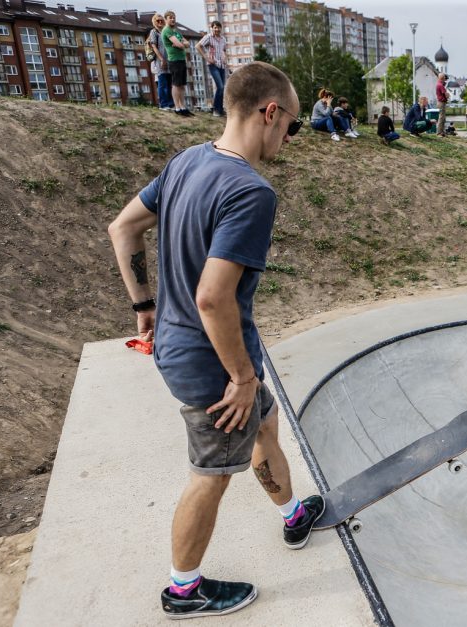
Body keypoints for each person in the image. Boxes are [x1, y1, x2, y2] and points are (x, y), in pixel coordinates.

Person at [107, 61, 324, 620]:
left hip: (187, 345)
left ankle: (292, 514)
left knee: (265, 425)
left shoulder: (186, 161)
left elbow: (123, 227)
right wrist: (243, 379)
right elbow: (212, 297)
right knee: (210, 475)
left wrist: (144, 306)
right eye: (292, 126)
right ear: (269, 113)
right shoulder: (250, 191)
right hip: (214, 364)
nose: (288, 139)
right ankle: (184, 590)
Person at [161, 11, 193, 116]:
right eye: (170, 18)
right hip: (174, 60)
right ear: (166, 19)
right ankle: (177, 107)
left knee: (182, 85)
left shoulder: (176, 31)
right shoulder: (167, 31)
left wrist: (181, 44)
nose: (173, 19)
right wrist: (180, 44)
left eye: (174, 17)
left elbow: (187, 43)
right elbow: (180, 44)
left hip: (181, 59)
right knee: (176, 84)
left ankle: (183, 107)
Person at [195, 20, 227, 117]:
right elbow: (198, 46)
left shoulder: (223, 39)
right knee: (220, 87)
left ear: (221, 28)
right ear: (212, 28)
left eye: (218, 27)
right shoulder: (208, 37)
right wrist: (207, 57)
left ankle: (220, 109)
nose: (217, 29)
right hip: (213, 65)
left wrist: (225, 57)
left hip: (222, 65)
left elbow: (223, 50)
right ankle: (216, 110)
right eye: (215, 27)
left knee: (221, 88)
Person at [148, 14, 174, 111]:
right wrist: (162, 59)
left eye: (161, 20)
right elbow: (154, 46)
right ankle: (163, 104)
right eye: (157, 21)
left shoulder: (166, 31)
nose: (159, 22)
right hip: (160, 61)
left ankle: (171, 104)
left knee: (169, 83)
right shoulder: (153, 32)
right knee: (162, 83)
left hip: (169, 60)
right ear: (154, 22)